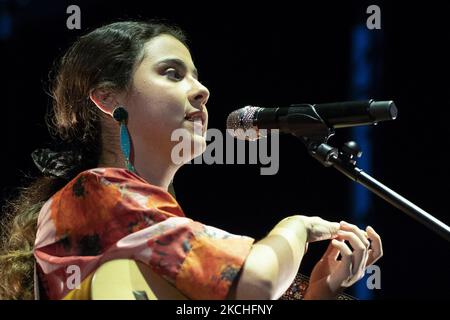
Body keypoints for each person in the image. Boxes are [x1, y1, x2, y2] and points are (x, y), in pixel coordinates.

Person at [0, 20, 382, 300]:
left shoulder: (155, 230)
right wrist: (296, 226)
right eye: (172, 73)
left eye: (197, 77)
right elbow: (257, 283)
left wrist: (320, 291)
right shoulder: (96, 191)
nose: (201, 91)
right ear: (108, 100)